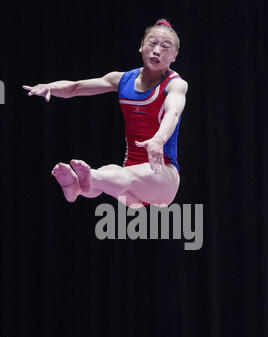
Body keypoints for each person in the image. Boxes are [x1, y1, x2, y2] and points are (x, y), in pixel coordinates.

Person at [22, 19, 188, 208]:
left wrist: (158, 139)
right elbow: (76, 87)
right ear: (141, 46)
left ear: (174, 56)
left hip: (162, 178)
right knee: (111, 174)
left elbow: (173, 113)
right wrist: (48, 87)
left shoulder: (176, 84)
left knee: (113, 174)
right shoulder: (122, 80)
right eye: (152, 43)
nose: (157, 50)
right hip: (129, 188)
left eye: (165, 47)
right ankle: (76, 188)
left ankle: (87, 180)